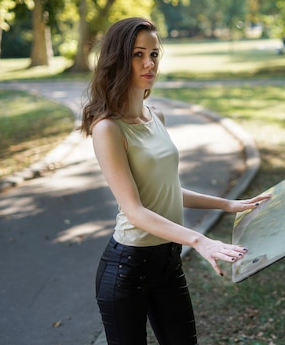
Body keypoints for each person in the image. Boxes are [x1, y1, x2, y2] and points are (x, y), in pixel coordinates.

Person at [80, 17, 270, 345]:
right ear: (117, 59)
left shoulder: (157, 117)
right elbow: (136, 210)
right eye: (138, 54)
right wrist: (200, 240)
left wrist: (227, 204)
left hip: (167, 262)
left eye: (154, 54)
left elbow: (166, 191)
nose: (148, 63)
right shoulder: (108, 129)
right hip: (127, 268)